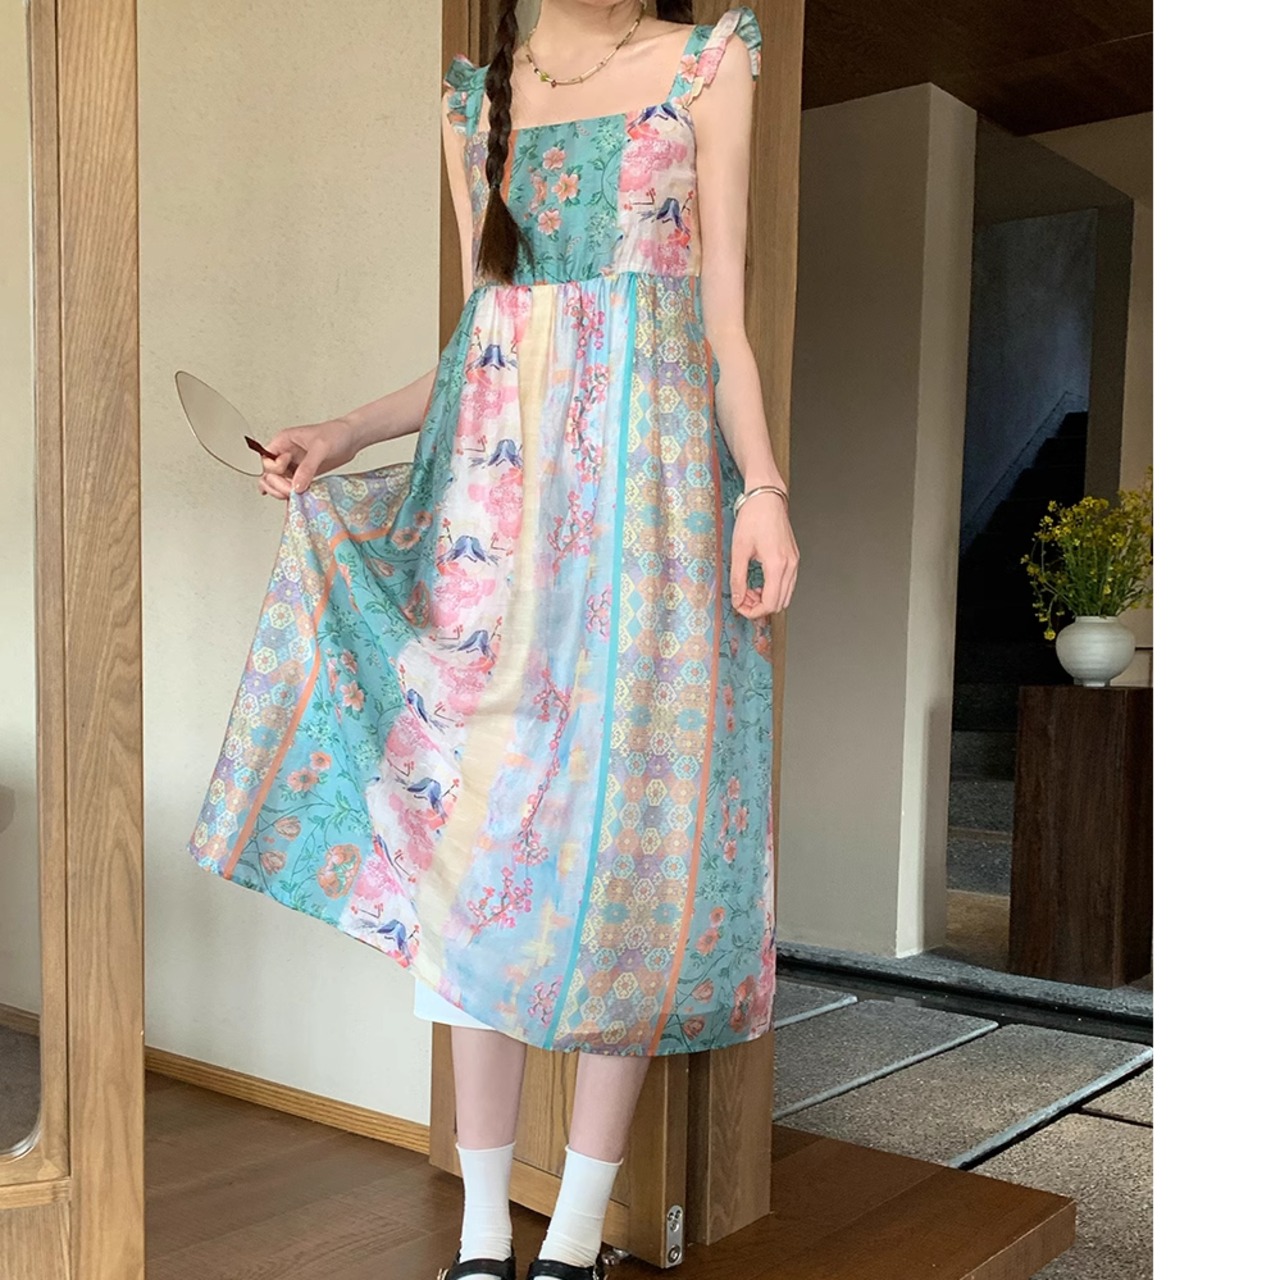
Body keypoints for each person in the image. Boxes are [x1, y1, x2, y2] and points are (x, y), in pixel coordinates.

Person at [186, 2, 798, 1277]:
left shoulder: (708, 62)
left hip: (648, 521)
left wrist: (761, 488)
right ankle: (480, 1232)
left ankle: (571, 1239)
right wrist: (343, 433)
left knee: (624, 852)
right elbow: (482, 344)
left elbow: (720, 321)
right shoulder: (475, 103)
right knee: (475, 848)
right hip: (495, 523)